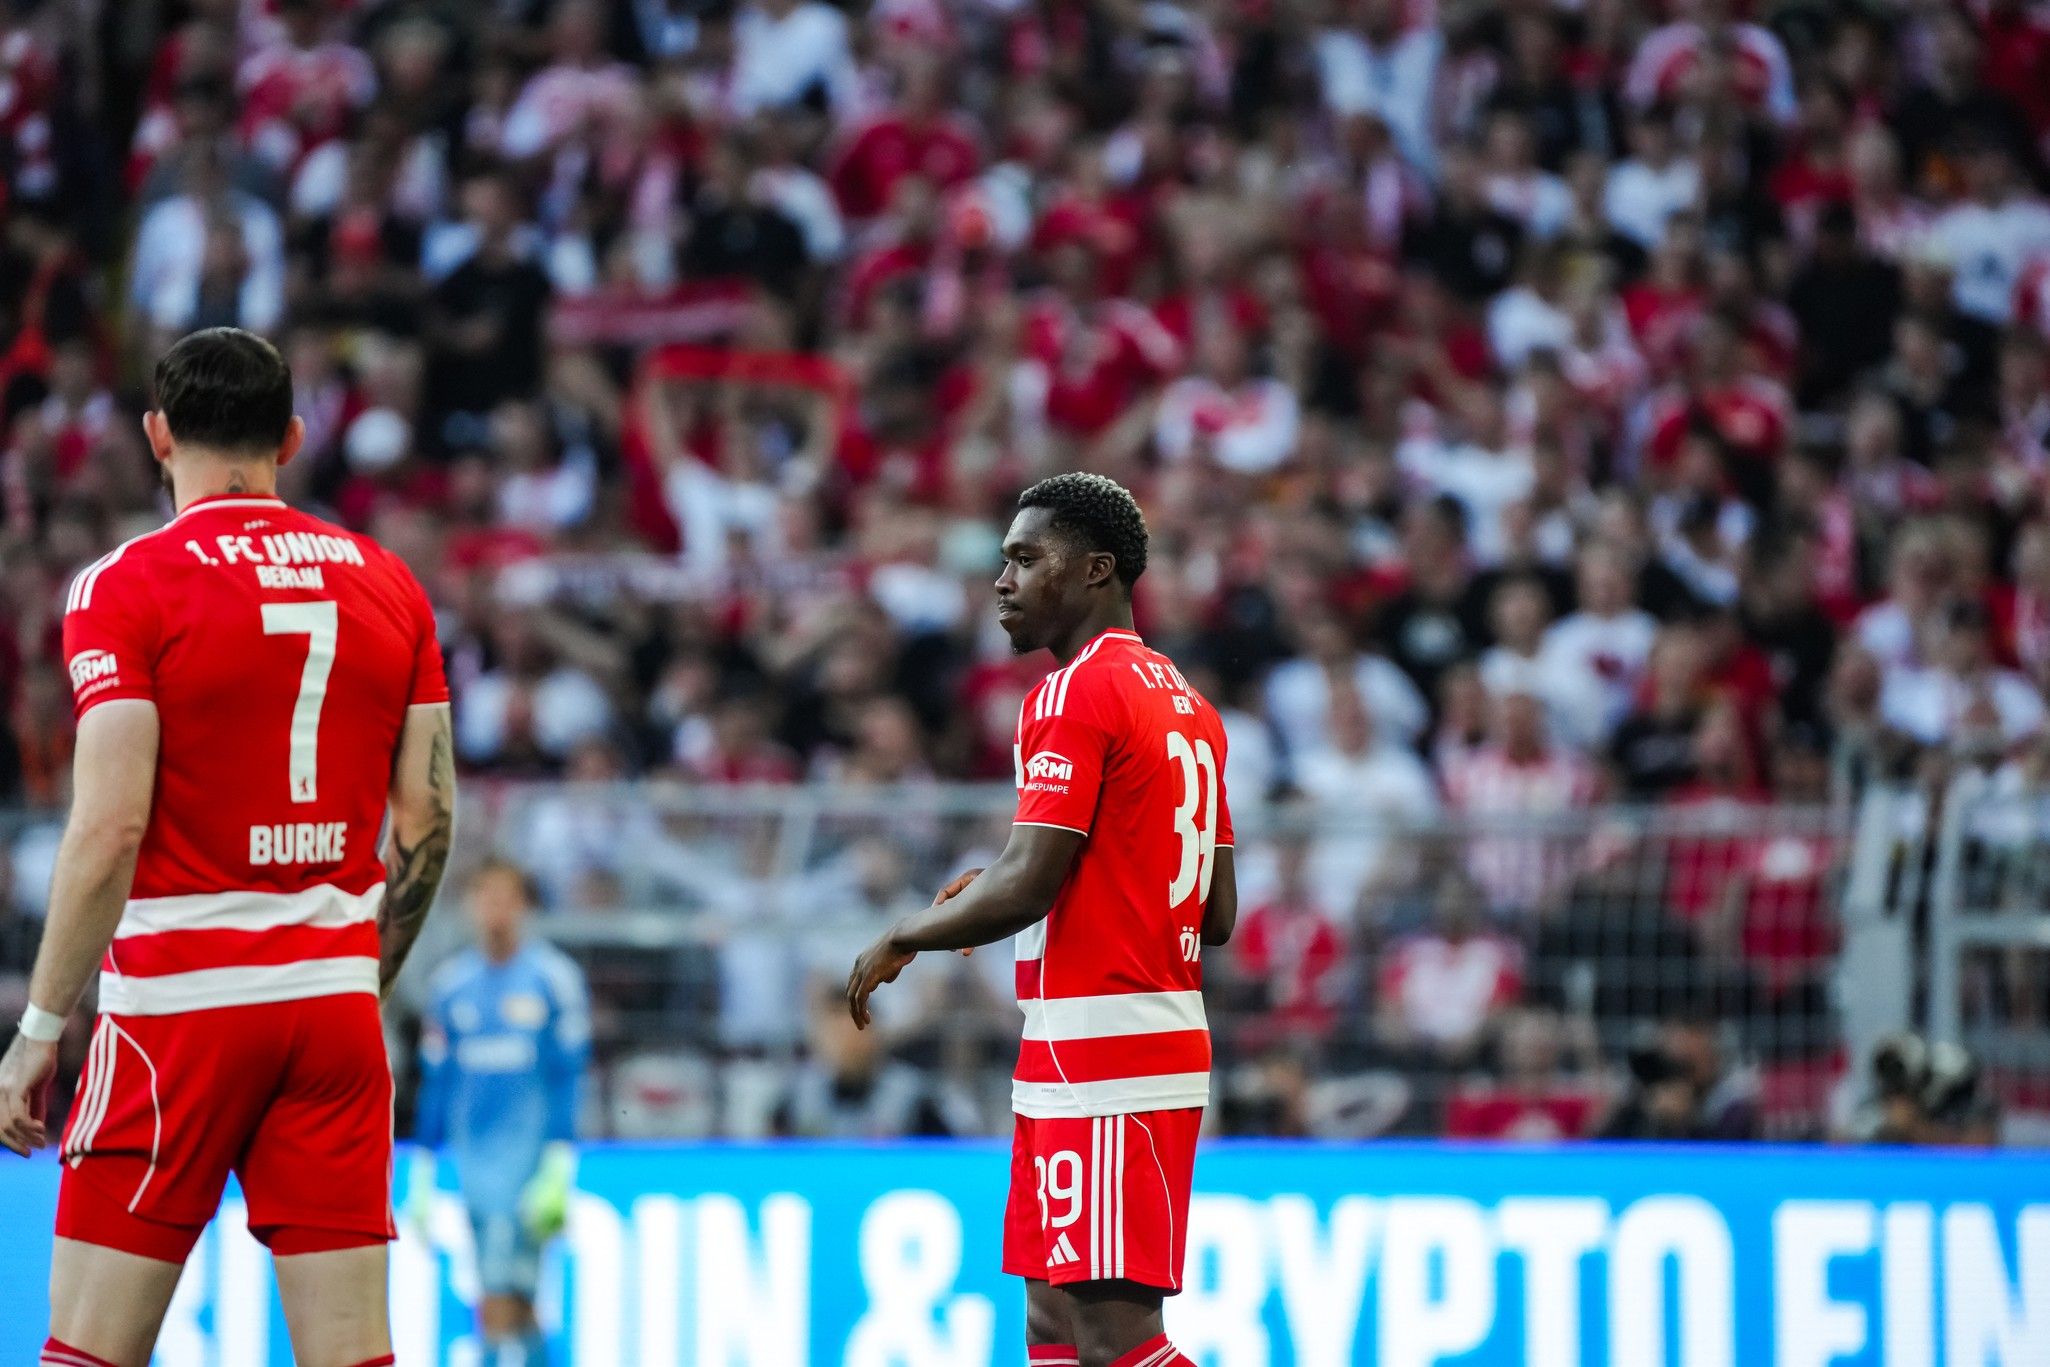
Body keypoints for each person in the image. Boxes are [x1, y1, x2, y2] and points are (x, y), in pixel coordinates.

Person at [0, 327, 455, 1367]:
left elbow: (110, 826)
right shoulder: (388, 581)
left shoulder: (124, 586)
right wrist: (360, 977)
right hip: (332, 1011)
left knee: (88, 1351)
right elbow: (429, 816)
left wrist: (39, 1027)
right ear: (291, 437)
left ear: (158, 435)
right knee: (354, 1354)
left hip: (179, 1012)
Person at [848, 472, 1236, 1367]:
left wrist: (905, 934)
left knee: (1116, 1339)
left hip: (1104, 1047)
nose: (1002, 579)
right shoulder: (1191, 705)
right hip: (1124, 1039)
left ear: (1096, 569)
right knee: (1053, 1324)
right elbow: (1214, 911)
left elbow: (1028, 884)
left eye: (1026, 558)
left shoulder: (1073, 691)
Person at [410, 859, 590, 1367]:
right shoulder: (451, 987)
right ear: (470, 904)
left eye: (506, 897)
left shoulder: (553, 979)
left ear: (524, 905)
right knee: (509, 1301)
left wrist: (559, 1161)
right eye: (485, 896)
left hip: (528, 1168)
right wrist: (423, 1168)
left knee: (502, 1300)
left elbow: (568, 1076)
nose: (495, 909)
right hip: (474, 1168)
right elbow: (436, 1082)